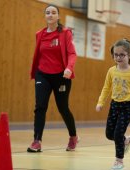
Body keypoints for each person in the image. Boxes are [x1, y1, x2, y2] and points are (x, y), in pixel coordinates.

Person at [27, 4, 79, 153]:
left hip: (61, 76)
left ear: (58, 16)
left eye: (53, 12)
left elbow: (72, 53)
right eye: (48, 13)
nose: (50, 15)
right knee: (40, 107)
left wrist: (69, 68)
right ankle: (37, 141)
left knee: (63, 108)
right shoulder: (40, 34)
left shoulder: (66, 33)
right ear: (45, 16)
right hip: (42, 74)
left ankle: (73, 136)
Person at [96, 39, 130, 170]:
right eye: (116, 55)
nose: (118, 58)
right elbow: (106, 88)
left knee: (118, 133)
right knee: (109, 134)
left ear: (129, 55)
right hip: (114, 105)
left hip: (128, 106)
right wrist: (101, 102)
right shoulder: (111, 71)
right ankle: (126, 141)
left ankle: (119, 161)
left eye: (122, 55)